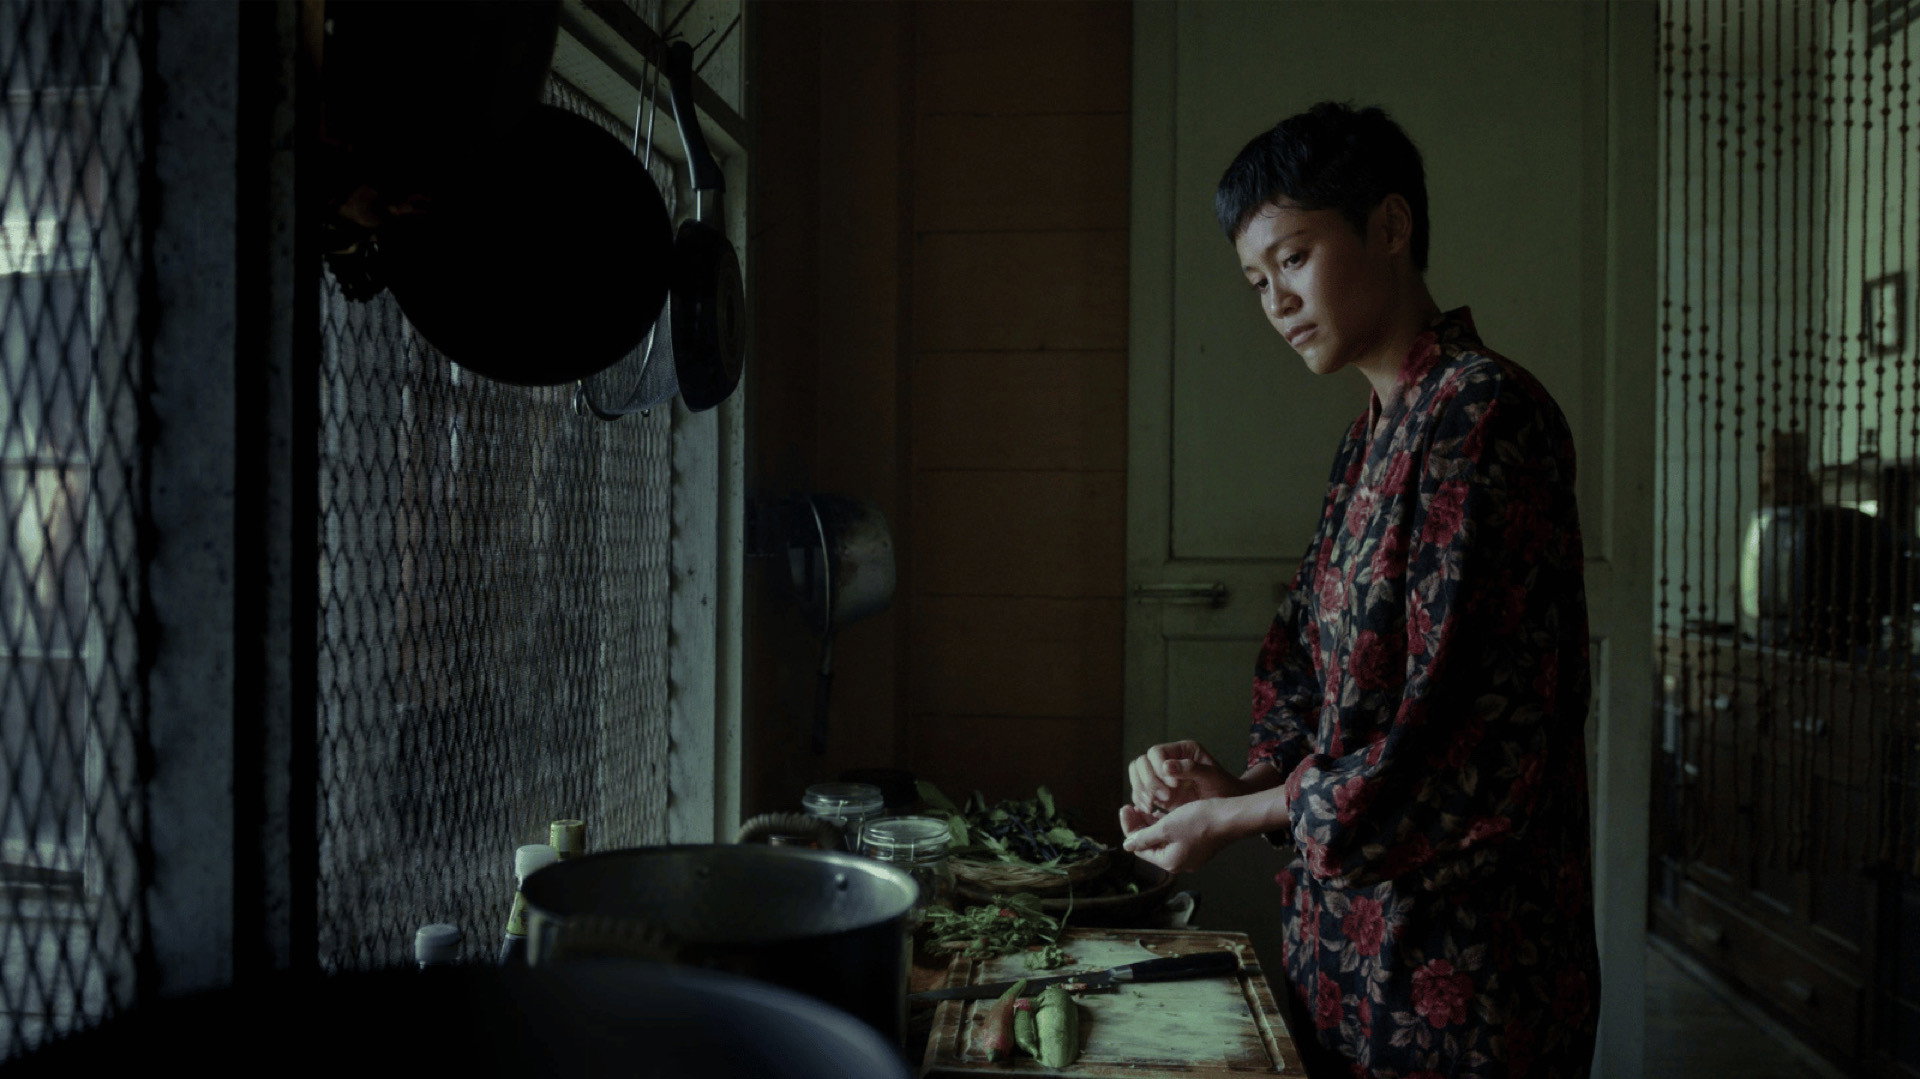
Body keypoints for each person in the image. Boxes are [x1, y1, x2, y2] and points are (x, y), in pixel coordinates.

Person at [1117, 102, 1600, 1078]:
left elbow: (1455, 737)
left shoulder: (1484, 413)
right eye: (1258, 280)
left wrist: (1236, 818)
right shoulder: (1371, 433)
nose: (1277, 301)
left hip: (1462, 967)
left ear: (1390, 225)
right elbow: (1304, 663)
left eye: (1294, 258)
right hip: (1342, 948)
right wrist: (1234, 785)